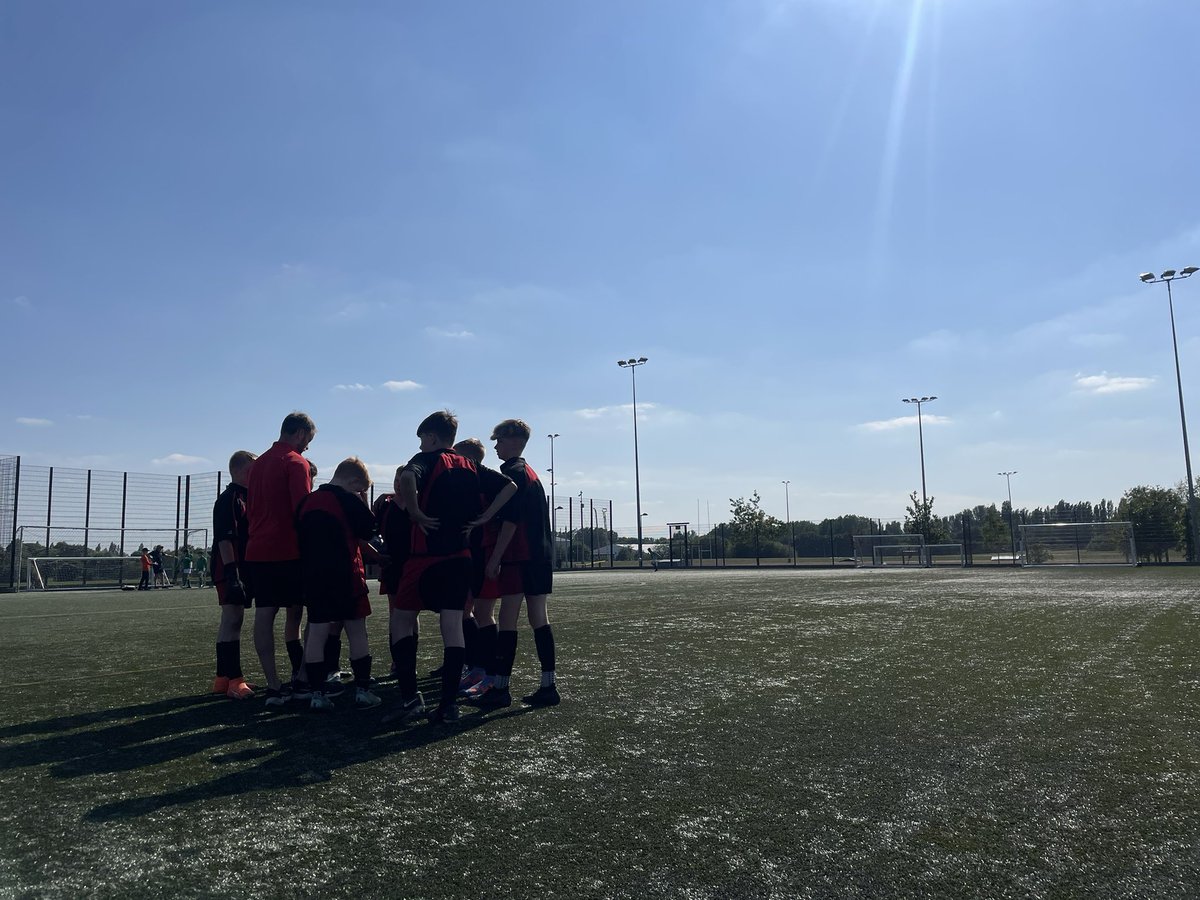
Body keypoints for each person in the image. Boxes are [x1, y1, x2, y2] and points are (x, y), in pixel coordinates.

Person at [391, 410, 513, 724]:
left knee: (402, 620)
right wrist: (486, 517)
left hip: (425, 558)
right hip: (460, 559)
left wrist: (415, 512)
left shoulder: (426, 460)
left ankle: (409, 699)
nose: (420, 445)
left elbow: (406, 476)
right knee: (453, 627)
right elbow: (509, 486)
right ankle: (447, 706)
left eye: (421, 439)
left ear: (431, 437)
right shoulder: (471, 464)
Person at [472, 418, 559, 708]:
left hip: (518, 555)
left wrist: (495, 557)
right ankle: (548, 685)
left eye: (499, 440)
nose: (496, 446)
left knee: (508, 619)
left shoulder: (512, 473)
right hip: (540, 555)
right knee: (539, 619)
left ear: (514, 441)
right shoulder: (530, 472)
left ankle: (501, 688)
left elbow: (511, 520)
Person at [297, 457, 382, 710]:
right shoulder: (347, 500)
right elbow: (369, 530)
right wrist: (362, 500)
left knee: (317, 633)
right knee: (357, 631)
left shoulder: (307, 501)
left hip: (314, 577)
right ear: (354, 482)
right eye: (360, 488)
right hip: (347, 575)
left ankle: (316, 694)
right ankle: (363, 690)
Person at [245, 411, 316, 707]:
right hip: (290, 551)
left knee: (265, 615)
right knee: (315, 613)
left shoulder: (258, 463)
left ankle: (273, 685)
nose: (307, 447)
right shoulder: (295, 462)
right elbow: (303, 510)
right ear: (299, 433)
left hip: (258, 552)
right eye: (308, 440)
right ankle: (302, 679)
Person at [453, 438, 516, 696]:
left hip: (485, 553)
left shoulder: (487, 480)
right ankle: (477, 667)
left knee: (483, 612)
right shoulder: (463, 483)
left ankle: (490, 673)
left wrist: (494, 557)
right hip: (470, 555)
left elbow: (508, 517)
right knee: (465, 611)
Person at [211, 450, 257, 700]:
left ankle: (222, 678)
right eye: (254, 469)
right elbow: (224, 538)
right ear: (243, 470)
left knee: (230, 620)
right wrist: (232, 573)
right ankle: (235, 681)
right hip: (229, 567)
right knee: (233, 619)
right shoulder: (229, 498)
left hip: (239, 567)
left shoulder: (245, 497)